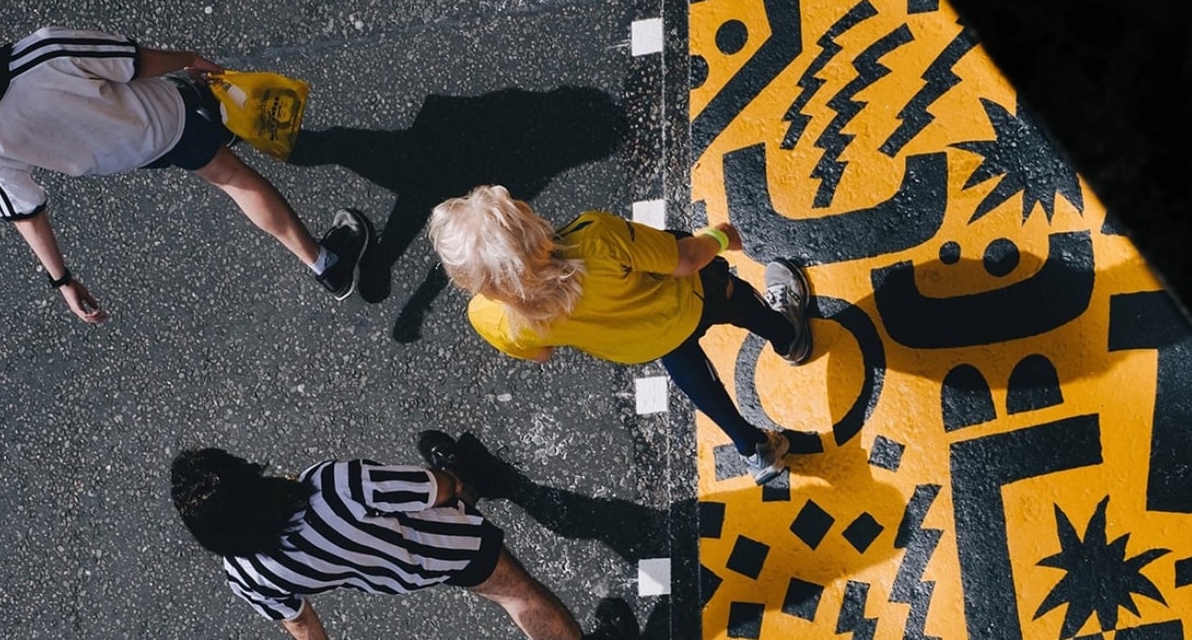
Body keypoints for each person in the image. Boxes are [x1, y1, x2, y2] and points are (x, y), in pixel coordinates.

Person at [0, 14, 372, 322]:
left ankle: (219, 126)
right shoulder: (44, 50)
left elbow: (24, 211)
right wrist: (190, 60)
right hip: (165, 121)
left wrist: (63, 282)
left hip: (123, 155)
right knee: (233, 177)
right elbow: (134, 63)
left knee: (207, 147)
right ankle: (326, 265)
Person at [426, 185, 813, 484]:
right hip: (692, 297)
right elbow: (684, 260)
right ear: (528, 226)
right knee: (739, 301)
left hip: (637, 342)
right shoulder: (593, 237)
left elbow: (540, 353)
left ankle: (755, 449)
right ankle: (788, 335)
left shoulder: (487, 316)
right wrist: (721, 236)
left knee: (688, 368)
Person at [169, 446, 636, 640]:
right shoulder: (334, 485)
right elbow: (435, 488)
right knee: (517, 593)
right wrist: (459, 483)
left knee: (504, 595)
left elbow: (305, 628)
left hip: (397, 576)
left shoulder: (246, 574)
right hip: (450, 542)